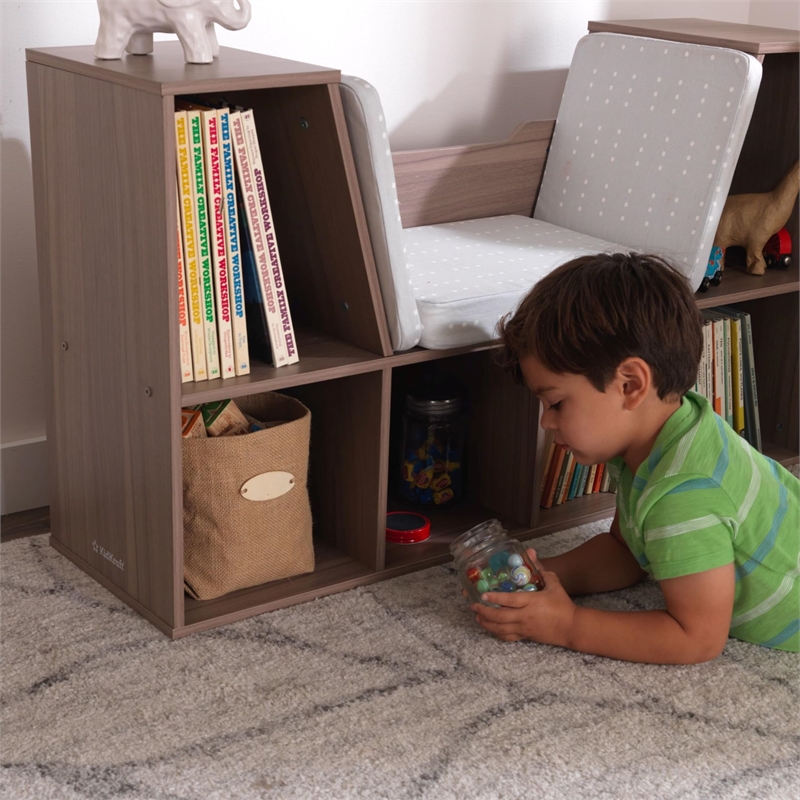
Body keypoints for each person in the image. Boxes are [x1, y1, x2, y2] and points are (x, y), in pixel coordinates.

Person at [472, 252, 800, 663]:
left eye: (555, 403)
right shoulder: (664, 431)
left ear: (630, 384)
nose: (546, 424)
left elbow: (696, 638)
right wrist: (548, 575)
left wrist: (566, 625)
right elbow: (627, 552)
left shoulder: (684, 490)